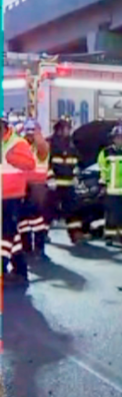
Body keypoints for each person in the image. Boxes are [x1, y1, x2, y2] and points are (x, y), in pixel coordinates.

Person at [2, 113, 36, 284]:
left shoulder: (17, 143)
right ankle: (20, 271)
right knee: (12, 235)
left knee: (5, 234)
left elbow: (30, 164)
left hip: (12, 196)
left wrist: (13, 158)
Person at [47, 116, 84, 244]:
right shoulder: (50, 143)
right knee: (49, 210)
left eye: (69, 128)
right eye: (66, 128)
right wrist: (50, 177)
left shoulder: (71, 145)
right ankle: (43, 234)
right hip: (54, 184)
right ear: (59, 129)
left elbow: (76, 161)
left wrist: (76, 173)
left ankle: (75, 234)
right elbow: (46, 162)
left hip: (68, 184)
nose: (68, 130)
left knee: (73, 209)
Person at [98, 125, 122, 246]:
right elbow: (103, 169)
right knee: (111, 215)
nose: (119, 140)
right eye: (117, 137)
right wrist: (103, 185)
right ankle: (109, 236)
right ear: (113, 139)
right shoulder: (105, 153)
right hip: (112, 190)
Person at [18, 119, 51, 258]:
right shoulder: (23, 146)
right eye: (28, 134)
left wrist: (36, 133)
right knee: (22, 219)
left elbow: (42, 148)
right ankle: (27, 247)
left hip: (37, 187)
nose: (30, 136)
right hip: (22, 186)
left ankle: (39, 248)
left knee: (36, 218)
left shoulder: (41, 146)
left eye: (32, 133)